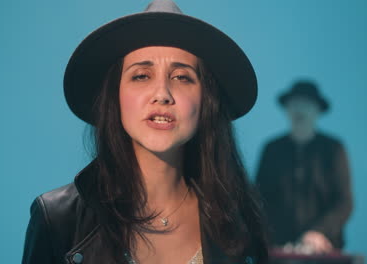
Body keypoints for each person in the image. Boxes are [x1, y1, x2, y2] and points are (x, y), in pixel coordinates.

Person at [22, 1, 268, 263]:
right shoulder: (57, 219)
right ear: (114, 98)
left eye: (182, 77)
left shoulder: (240, 220)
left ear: (206, 102)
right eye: (141, 75)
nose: (162, 94)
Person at [255, 80, 353, 254]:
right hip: (279, 248)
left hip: (324, 248)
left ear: (318, 111)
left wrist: (319, 232)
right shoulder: (272, 149)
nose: (299, 110)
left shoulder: (333, 149)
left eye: (306, 104)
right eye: (294, 104)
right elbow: (258, 198)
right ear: (286, 110)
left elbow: (344, 201)